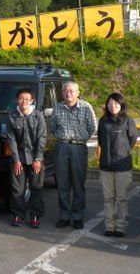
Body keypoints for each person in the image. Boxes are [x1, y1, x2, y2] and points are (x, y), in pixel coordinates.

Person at [50, 81, 97, 230]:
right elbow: (53, 127)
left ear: (78, 92)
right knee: (62, 184)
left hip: (78, 147)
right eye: (65, 91)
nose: (68, 93)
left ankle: (77, 216)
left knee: (78, 184)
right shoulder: (57, 108)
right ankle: (64, 216)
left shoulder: (86, 107)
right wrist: (62, 137)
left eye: (71, 91)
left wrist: (80, 138)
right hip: (62, 146)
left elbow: (93, 127)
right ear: (62, 93)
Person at [98, 93, 137, 237]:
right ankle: (109, 226)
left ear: (121, 105)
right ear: (106, 105)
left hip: (123, 166)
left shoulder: (127, 120)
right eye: (110, 103)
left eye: (116, 103)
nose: (112, 106)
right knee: (108, 198)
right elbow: (101, 141)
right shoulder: (103, 121)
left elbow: (132, 140)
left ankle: (120, 227)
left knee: (121, 198)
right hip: (106, 165)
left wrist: (122, 152)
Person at [7, 88, 47, 228]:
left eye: (27, 99)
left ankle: (35, 215)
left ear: (31, 101)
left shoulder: (38, 116)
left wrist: (37, 160)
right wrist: (16, 160)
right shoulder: (12, 116)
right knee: (17, 188)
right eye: (21, 98)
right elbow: (11, 139)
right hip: (19, 158)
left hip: (35, 158)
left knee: (36, 187)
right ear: (17, 100)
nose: (24, 101)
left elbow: (42, 138)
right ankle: (18, 215)